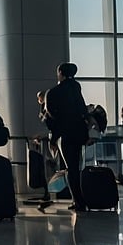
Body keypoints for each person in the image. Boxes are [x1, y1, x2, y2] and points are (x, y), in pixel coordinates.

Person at [44, 62, 90, 211]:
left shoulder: (53, 93)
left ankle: (78, 201)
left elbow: (53, 119)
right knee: (76, 166)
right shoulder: (76, 89)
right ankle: (80, 199)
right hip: (79, 133)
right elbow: (83, 111)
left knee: (70, 168)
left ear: (60, 73)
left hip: (65, 135)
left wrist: (53, 138)